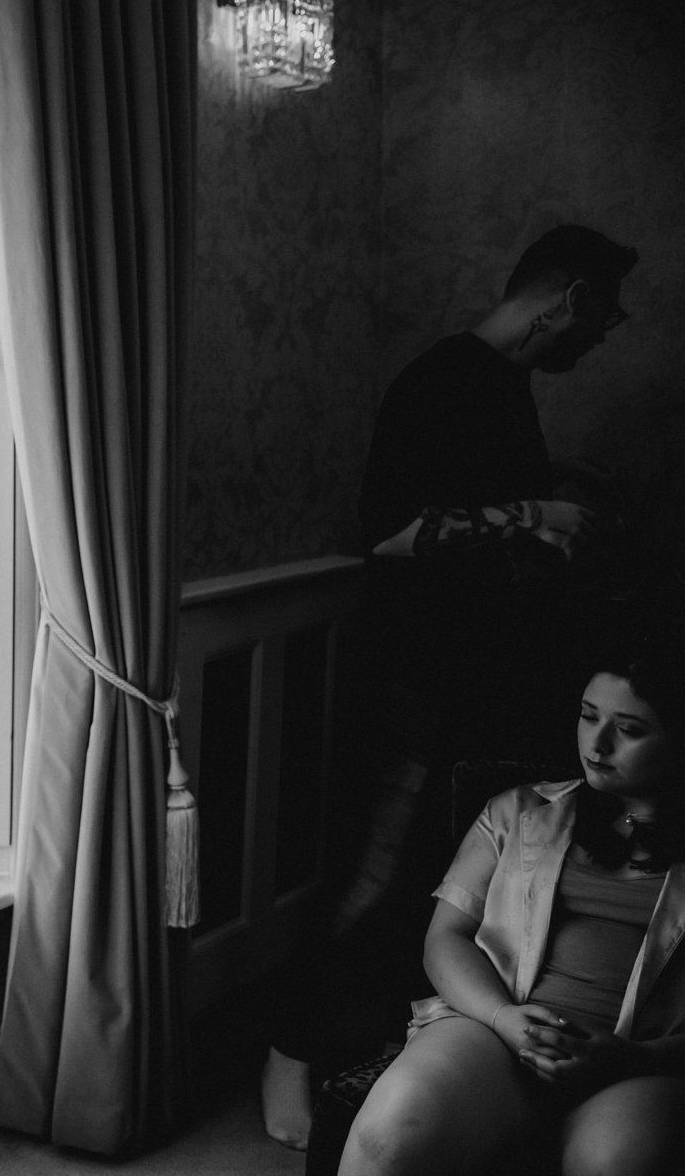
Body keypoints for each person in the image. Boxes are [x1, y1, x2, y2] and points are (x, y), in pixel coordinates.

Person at [263, 224, 641, 1148]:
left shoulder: (503, 390)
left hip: (469, 679)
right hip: (412, 678)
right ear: (568, 300)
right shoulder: (447, 377)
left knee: (429, 886)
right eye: (605, 314)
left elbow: (467, 500)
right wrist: (534, 512)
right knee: (371, 872)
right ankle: (285, 1057)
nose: (603, 337)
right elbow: (391, 533)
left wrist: (549, 487)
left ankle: (388, 1050)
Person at [340, 625, 685, 1175]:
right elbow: (444, 938)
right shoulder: (519, 813)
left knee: (621, 1162)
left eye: (629, 730)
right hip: (495, 1031)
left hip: (640, 1062)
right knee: (390, 1134)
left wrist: (634, 1058)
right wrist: (504, 1019)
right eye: (588, 715)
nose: (596, 745)